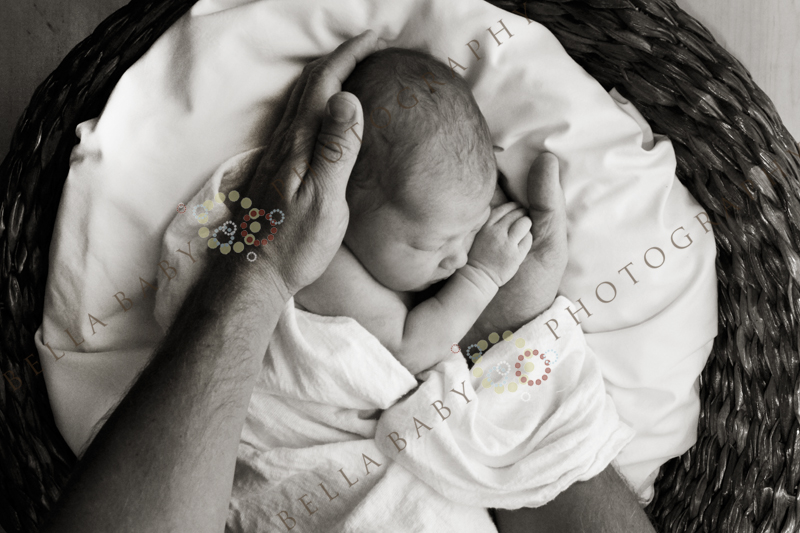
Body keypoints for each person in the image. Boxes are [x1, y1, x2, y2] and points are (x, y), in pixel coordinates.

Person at [40, 30, 656, 533]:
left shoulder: (382, 252)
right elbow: (410, 347)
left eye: (469, 233)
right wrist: (484, 276)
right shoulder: (328, 268)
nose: (456, 258)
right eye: (431, 244)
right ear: (343, 209)